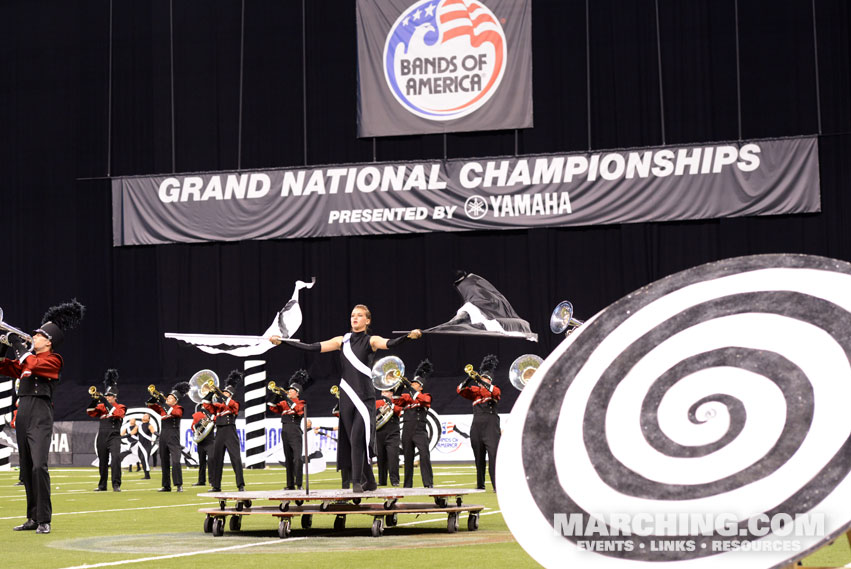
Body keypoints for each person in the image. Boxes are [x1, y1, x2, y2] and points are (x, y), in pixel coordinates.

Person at [270, 304, 421, 493]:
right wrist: (283, 341)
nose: (355, 318)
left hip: (364, 397)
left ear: (367, 320)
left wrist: (408, 336)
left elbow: (389, 343)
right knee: (351, 440)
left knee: (358, 438)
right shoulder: (342, 340)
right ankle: (371, 482)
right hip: (347, 396)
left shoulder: (371, 340)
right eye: (352, 315)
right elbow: (312, 347)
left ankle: (356, 482)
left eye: (359, 315)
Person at [1, 299, 84, 534]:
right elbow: (3, 366)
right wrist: (4, 344)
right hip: (24, 410)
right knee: (26, 468)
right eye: (34, 335)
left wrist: (18, 344)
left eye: (38, 335)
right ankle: (32, 518)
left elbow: (31, 364)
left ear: (48, 341)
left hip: (40, 412)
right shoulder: (27, 359)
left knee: (39, 466)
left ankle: (44, 519)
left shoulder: (53, 359)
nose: (33, 337)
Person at [457, 354, 501, 491]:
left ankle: (496, 485)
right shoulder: (474, 392)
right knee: (479, 456)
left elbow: (495, 392)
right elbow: (460, 390)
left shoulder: (494, 389)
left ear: (489, 380)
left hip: (491, 424)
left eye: (485, 378)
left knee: (494, 455)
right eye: (481, 378)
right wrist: (470, 378)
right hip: (476, 425)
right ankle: (480, 485)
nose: (482, 380)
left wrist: (482, 382)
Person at [203, 370, 245, 492]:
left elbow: (230, 404)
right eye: (223, 392)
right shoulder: (218, 406)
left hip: (230, 432)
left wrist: (220, 393)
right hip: (219, 432)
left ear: (230, 395)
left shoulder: (234, 404)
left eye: (226, 393)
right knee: (217, 459)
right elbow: (205, 404)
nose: (223, 394)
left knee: (236, 458)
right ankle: (216, 486)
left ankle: (240, 485)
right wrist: (211, 392)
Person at [394, 359, 434, 488]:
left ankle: (428, 483)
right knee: (408, 457)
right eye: (412, 383)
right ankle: (407, 484)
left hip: (420, 430)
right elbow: (395, 400)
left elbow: (423, 400)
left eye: (415, 383)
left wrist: (410, 387)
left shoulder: (426, 395)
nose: (412, 384)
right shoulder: (406, 398)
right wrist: (400, 385)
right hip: (407, 429)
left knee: (424, 455)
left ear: (420, 386)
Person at [87, 369, 126, 492]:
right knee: (102, 461)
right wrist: (94, 400)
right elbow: (90, 412)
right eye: (107, 396)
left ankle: (116, 484)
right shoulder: (101, 407)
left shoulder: (121, 406)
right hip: (102, 435)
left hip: (114, 435)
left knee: (115, 459)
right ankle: (102, 485)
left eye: (110, 396)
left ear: (115, 397)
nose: (108, 397)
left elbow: (118, 414)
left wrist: (104, 401)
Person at [147, 381, 189, 492]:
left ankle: (179, 484)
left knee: (175, 461)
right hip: (163, 435)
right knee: (164, 461)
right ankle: (166, 486)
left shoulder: (178, 408)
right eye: (167, 397)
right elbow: (150, 405)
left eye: (170, 398)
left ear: (175, 401)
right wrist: (155, 396)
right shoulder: (162, 408)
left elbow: (177, 414)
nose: (167, 399)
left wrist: (163, 402)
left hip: (173, 435)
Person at [267, 370, 306, 490]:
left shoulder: (301, 403)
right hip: (285, 431)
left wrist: (286, 398)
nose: (289, 391)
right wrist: (277, 395)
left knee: (298, 458)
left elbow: (299, 411)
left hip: (295, 431)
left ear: (297, 393)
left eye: (291, 390)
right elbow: (271, 406)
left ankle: (298, 483)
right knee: (288, 459)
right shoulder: (284, 403)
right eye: (288, 390)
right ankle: (290, 484)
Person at [375, 388, 402, 487]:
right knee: (381, 458)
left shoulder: (396, 402)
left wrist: (390, 404)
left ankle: (395, 480)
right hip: (379, 433)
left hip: (393, 434)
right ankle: (382, 481)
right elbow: (372, 414)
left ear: (391, 393)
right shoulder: (377, 402)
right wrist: (379, 410)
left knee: (393, 457)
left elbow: (398, 411)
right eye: (382, 392)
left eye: (386, 392)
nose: (384, 394)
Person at [190, 404, 215, 487]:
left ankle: (212, 480)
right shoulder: (197, 415)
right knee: (201, 461)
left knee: (211, 460)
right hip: (201, 441)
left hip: (210, 440)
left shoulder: (212, 415)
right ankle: (201, 481)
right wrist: (199, 424)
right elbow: (192, 427)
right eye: (203, 406)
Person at [137, 413, 155, 477]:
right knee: (141, 459)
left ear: (149, 419)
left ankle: (147, 475)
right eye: (144, 415)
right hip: (140, 445)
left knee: (144, 458)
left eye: (146, 416)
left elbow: (153, 432)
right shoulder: (139, 425)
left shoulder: (150, 425)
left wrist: (159, 436)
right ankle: (146, 474)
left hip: (147, 445)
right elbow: (132, 433)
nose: (144, 416)